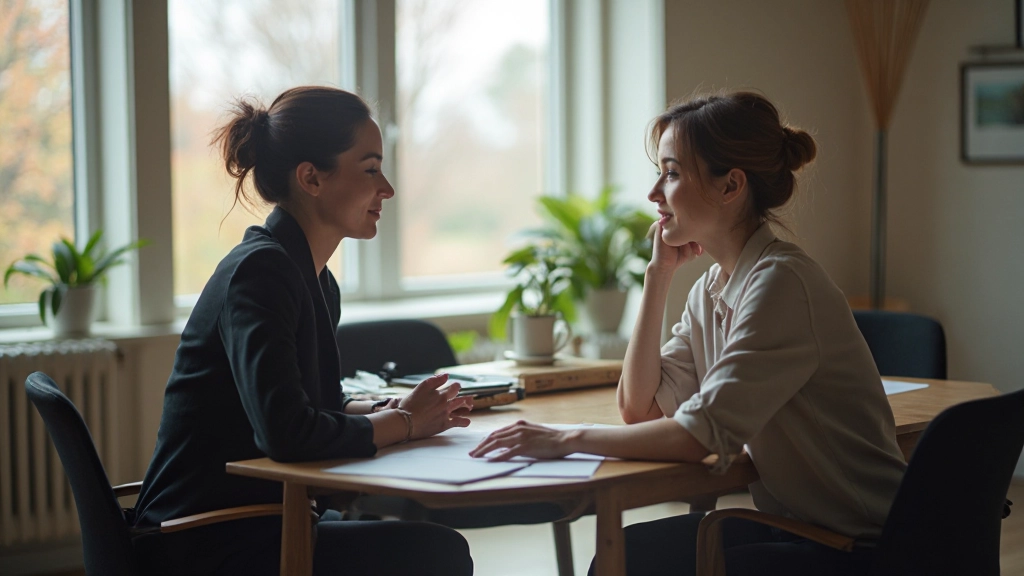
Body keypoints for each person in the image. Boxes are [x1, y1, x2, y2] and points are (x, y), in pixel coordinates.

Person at [471, 92, 907, 576]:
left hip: (860, 546)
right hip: (797, 526)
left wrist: (564, 438)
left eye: (672, 172)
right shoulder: (713, 287)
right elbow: (640, 410)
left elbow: (699, 436)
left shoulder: (782, 283)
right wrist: (657, 278)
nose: (655, 192)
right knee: (626, 559)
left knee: (634, 564)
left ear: (731, 186)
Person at [131, 86, 474, 576]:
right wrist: (407, 424)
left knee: (426, 546)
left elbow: (311, 405)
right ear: (311, 178)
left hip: (262, 519)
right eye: (371, 168)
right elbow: (286, 433)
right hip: (203, 541)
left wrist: (387, 409)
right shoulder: (261, 274)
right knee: (437, 553)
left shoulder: (311, 277)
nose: (388, 190)